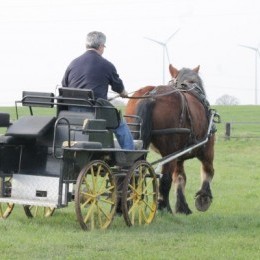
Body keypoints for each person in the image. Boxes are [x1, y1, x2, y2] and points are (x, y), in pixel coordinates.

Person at [61, 31, 134, 150]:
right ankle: (130, 155)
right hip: (94, 112)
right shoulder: (107, 65)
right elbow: (118, 86)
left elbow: (65, 86)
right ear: (101, 46)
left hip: (71, 112)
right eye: (104, 46)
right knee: (120, 124)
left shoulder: (73, 64)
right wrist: (123, 93)